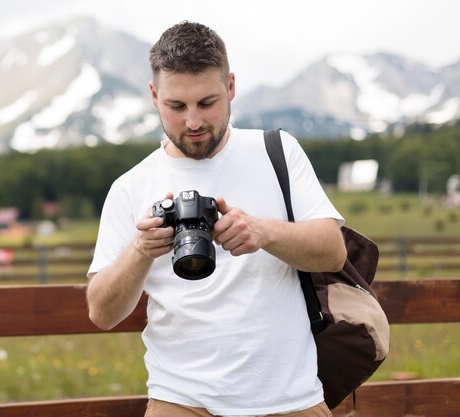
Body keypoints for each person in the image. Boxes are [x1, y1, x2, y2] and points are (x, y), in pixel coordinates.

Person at [86, 21, 347, 417]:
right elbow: (102, 313)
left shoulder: (277, 152)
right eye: (176, 106)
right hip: (181, 401)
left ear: (231, 88)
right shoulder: (130, 186)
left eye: (207, 103)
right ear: (154, 96)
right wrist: (141, 250)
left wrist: (262, 232)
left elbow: (333, 252)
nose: (193, 122)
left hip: (290, 399)